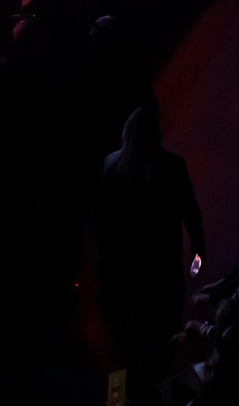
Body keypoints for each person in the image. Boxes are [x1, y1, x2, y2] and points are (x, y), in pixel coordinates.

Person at [85, 108, 206, 386]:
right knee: (161, 336)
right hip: (163, 270)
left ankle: (124, 396)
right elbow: (192, 214)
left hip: (122, 271)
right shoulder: (173, 166)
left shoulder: (110, 165)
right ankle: (160, 391)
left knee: (126, 341)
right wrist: (197, 260)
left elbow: (99, 222)